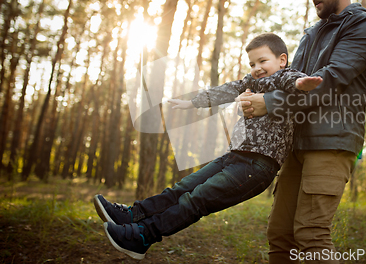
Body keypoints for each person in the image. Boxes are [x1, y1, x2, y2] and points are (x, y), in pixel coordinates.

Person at [93, 33, 323, 260]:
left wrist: (302, 83)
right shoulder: (250, 82)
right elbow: (223, 90)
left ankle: (142, 236)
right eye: (252, 63)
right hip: (234, 157)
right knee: (182, 188)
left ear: (281, 60)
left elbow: (296, 82)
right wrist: (191, 102)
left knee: (196, 198)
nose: (257, 68)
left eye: (263, 61)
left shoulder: (285, 77)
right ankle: (133, 215)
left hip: (257, 166)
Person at [239, 0, 366, 263]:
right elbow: (290, 82)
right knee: (281, 235)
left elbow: (329, 81)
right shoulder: (310, 34)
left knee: (312, 235)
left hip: (331, 143)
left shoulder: (362, 26)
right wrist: (255, 97)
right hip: (297, 144)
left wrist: (270, 104)